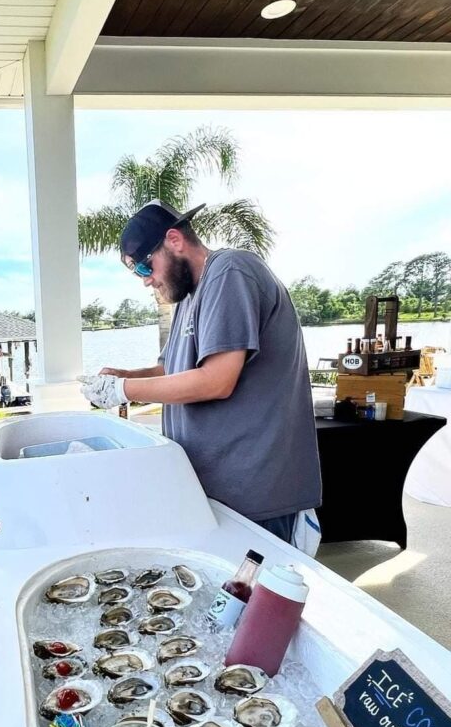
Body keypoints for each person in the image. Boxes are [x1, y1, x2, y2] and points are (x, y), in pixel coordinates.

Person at [81, 199, 321, 545]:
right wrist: (125, 375)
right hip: (212, 489)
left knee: (254, 597)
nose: (146, 282)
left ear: (175, 240)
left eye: (146, 269)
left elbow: (217, 380)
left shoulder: (231, 271)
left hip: (254, 495)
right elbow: (170, 368)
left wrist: (123, 391)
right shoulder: (190, 296)